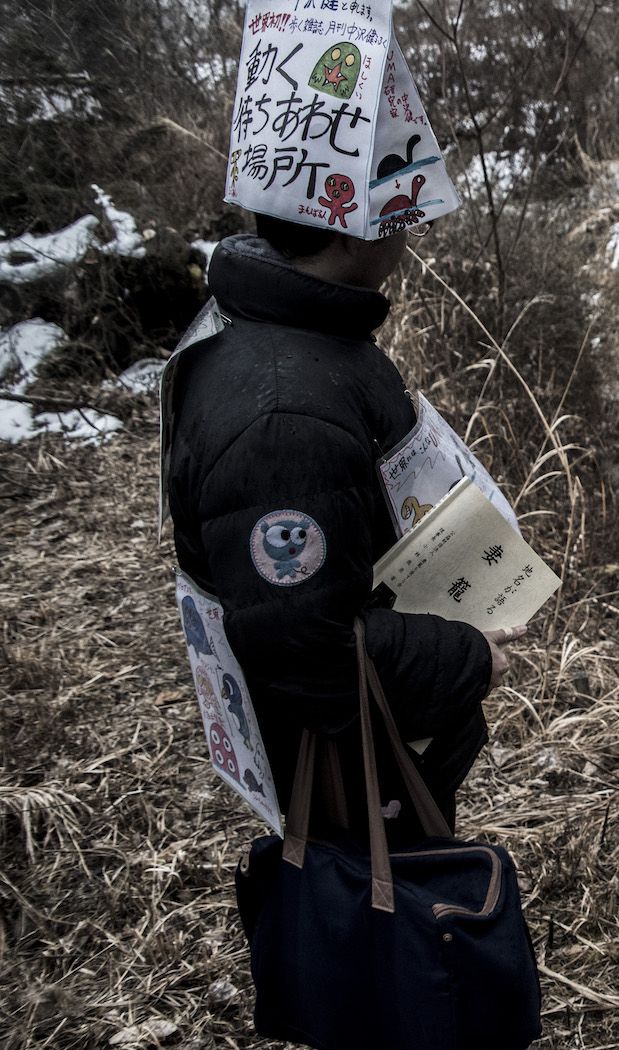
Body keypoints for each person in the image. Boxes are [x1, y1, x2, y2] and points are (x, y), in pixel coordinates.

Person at [164, 214, 525, 835]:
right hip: (351, 762)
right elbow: (304, 645)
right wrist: (465, 659)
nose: (410, 234)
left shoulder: (278, 326)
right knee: (382, 891)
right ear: (354, 231)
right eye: (403, 218)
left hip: (369, 738)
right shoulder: (286, 419)